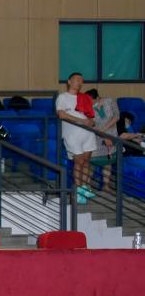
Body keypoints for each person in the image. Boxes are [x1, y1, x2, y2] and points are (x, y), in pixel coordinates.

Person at [56, 73, 99, 202]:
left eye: (81, 80)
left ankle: (85, 187)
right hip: (72, 134)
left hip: (87, 133)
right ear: (69, 81)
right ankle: (78, 190)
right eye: (76, 80)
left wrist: (90, 122)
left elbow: (91, 115)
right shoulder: (63, 97)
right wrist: (82, 121)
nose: (79, 82)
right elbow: (62, 114)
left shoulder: (85, 97)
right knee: (78, 161)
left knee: (86, 160)